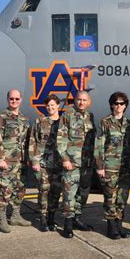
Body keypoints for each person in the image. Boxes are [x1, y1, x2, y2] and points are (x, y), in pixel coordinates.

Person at [57, 90, 96, 238]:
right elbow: (61, 139)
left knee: (82, 194)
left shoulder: (90, 116)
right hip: (72, 163)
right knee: (69, 194)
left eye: (84, 100)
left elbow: (92, 140)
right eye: (79, 100)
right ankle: (67, 224)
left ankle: (76, 219)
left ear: (88, 102)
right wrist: (65, 159)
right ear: (75, 100)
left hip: (86, 163)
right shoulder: (67, 115)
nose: (81, 103)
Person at [0, 89, 32, 233]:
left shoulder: (24, 119)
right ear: (7, 99)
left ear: (21, 99)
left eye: (17, 99)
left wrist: (29, 158)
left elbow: (28, 141)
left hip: (21, 162)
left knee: (20, 189)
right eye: (11, 99)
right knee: (4, 190)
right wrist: (0, 158)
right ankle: (2, 218)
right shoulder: (1, 117)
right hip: (7, 161)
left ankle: (15, 216)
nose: (14, 101)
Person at [95, 92, 130, 240]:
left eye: (122, 103)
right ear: (111, 105)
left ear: (125, 105)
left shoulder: (129, 124)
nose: (119, 106)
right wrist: (100, 166)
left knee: (123, 196)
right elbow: (99, 145)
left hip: (125, 167)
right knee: (110, 196)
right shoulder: (105, 122)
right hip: (110, 166)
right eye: (116, 103)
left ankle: (119, 224)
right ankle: (111, 226)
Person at [30, 94, 63, 232]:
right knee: (44, 190)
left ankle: (51, 217)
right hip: (43, 163)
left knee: (55, 192)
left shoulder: (63, 122)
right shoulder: (40, 121)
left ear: (58, 106)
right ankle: (43, 218)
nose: (50, 108)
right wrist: (34, 161)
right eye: (48, 106)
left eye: (53, 105)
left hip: (59, 164)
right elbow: (33, 141)